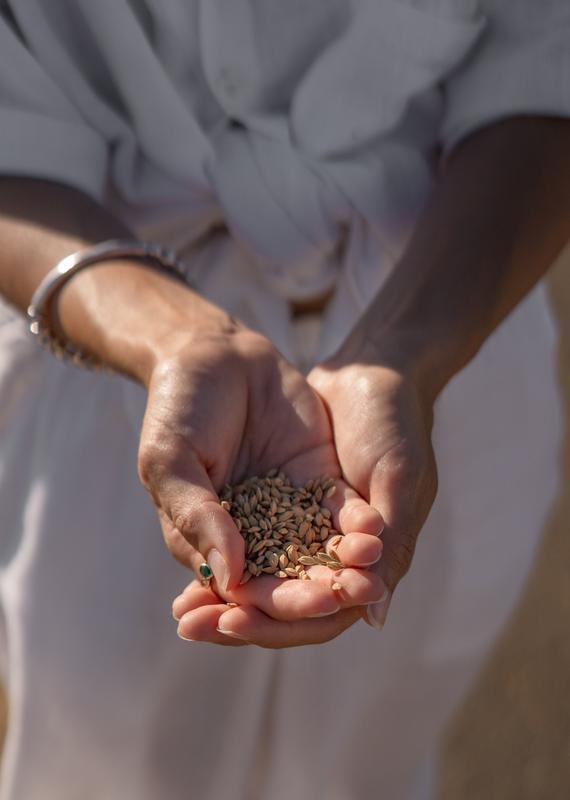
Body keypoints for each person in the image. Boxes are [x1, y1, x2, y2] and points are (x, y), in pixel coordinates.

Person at [0, 1, 568, 798]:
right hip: (101, 367)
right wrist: (176, 340)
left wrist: (401, 354)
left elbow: (547, 60)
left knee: (368, 756)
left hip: (458, 310)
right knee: (101, 754)